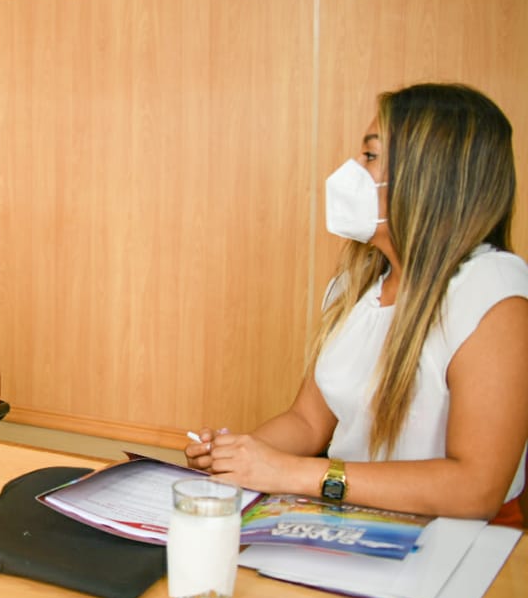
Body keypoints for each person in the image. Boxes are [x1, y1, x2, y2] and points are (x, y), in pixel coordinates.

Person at [186, 83, 528, 524]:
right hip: (351, 520)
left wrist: (294, 473)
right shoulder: (355, 284)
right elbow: (308, 421)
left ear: (429, 176)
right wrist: (236, 456)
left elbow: (475, 490)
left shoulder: (494, 293)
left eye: (370, 156)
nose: (352, 172)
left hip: (455, 539)